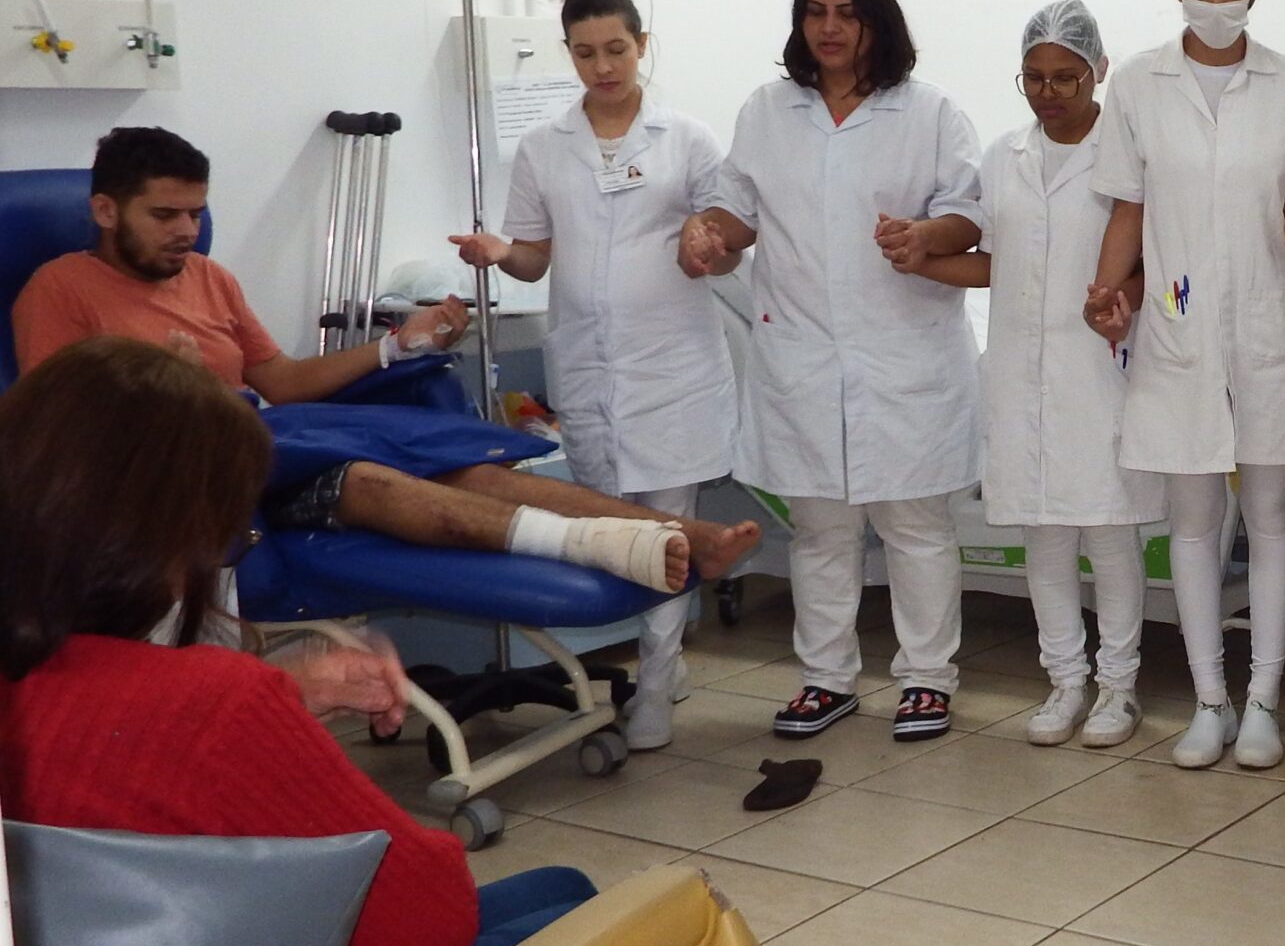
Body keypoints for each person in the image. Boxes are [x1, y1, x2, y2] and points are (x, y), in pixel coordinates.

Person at [0, 337, 920, 946]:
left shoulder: (39, 690)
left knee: (560, 889)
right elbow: (428, 918)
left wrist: (290, 693)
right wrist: (273, 724)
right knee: (692, 945)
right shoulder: (208, 706)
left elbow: (138, 781)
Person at [11, 127, 756, 602]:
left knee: (475, 471)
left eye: (195, 214)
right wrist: (162, 394)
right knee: (370, 482)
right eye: (164, 216)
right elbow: (60, 433)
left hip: (275, 435)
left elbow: (284, 381)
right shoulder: (59, 291)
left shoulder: (210, 280)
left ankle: (670, 530)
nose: (187, 233)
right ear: (105, 211)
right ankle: (606, 541)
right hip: (197, 475)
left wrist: (402, 344)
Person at [680, 0, 985, 744]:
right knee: (820, 529)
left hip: (905, 352)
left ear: (876, 16)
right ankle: (826, 677)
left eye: (846, 11)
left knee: (917, 526)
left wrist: (925, 233)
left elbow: (969, 212)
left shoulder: (931, 112)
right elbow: (735, 209)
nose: (830, 27)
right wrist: (708, 235)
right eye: (816, 11)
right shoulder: (767, 110)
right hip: (803, 355)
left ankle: (926, 679)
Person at [449, 0, 737, 750]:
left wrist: (707, 244)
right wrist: (499, 251)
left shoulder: (688, 139)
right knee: (614, 523)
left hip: (671, 360)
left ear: (642, 45)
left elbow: (724, 233)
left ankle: (655, 680)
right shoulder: (545, 147)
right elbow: (536, 259)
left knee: (668, 522)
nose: (602, 66)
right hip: (588, 360)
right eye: (585, 53)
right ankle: (659, 660)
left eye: (616, 49)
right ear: (568, 53)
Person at [1088, 0, 1285, 772]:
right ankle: (1208, 699)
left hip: (1268, 324)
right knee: (1193, 522)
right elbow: (1128, 205)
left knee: (1269, 514)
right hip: (1177, 325)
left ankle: (1265, 699)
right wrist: (1107, 294)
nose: (1217, 3)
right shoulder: (1137, 86)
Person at [917, 0, 1163, 749]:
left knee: (1110, 535)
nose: (1049, 91)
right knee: (1045, 540)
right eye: (1034, 77)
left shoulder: (1127, 156)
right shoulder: (1004, 156)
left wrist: (1124, 304)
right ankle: (1065, 682)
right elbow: (996, 259)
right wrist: (921, 259)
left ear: (1098, 72)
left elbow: (1151, 258)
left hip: (1101, 367)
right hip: (1019, 373)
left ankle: (1118, 689)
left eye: (1065, 76)